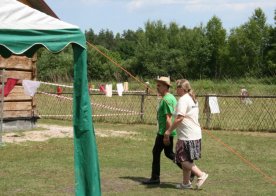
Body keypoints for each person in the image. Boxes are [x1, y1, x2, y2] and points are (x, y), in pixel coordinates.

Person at [164, 79, 208, 189]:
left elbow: (179, 118)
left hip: (187, 135)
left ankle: (200, 174)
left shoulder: (183, 100)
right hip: (195, 134)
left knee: (181, 160)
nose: (175, 90)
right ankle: (186, 183)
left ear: (182, 89)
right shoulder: (192, 99)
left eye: (177, 88)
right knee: (187, 160)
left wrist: (168, 131)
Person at [142, 76, 182, 185]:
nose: (157, 87)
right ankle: (189, 170)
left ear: (165, 86)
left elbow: (169, 118)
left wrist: (166, 134)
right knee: (168, 153)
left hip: (164, 132)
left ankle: (155, 178)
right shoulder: (171, 97)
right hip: (167, 131)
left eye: (159, 85)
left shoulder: (166, 99)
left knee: (156, 152)